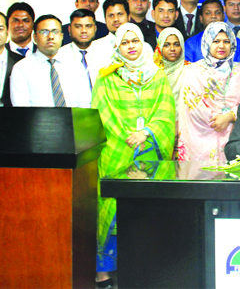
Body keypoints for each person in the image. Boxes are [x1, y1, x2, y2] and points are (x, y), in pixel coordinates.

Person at [90, 22, 176, 288]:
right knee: (111, 207)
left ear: (143, 43)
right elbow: (102, 112)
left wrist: (147, 133)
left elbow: (166, 112)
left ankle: (143, 265)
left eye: (134, 41)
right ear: (117, 45)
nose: (130, 47)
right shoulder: (107, 77)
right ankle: (104, 272)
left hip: (151, 153)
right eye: (125, 42)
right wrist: (128, 138)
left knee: (145, 213)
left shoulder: (158, 75)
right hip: (117, 152)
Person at [177, 22, 240, 178]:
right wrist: (217, 120)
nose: (222, 46)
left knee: (231, 190)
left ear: (233, 44)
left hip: (234, 136)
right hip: (200, 138)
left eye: (226, 41)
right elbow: (192, 104)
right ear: (207, 42)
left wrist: (229, 116)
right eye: (216, 41)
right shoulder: (194, 71)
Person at [9, 15, 91, 107]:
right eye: (44, 32)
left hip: (73, 120)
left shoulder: (75, 66)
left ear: (62, 36)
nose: (50, 36)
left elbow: (85, 103)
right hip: (37, 121)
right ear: (35, 37)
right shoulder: (21, 68)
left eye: (55, 32)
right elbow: (22, 108)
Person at [183, 0, 240, 66]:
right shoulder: (191, 43)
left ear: (223, 16)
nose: (213, 16)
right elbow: (187, 72)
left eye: (217, 13)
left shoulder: (236, 43)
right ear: (201, 18)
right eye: (208, 13)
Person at [58, 9, 99, 88]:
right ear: (69, 29)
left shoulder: (106, 53)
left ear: (95, 29)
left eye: (88, 26)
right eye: (78, 26)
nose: (84, 31)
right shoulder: (60, 55)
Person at [155, 27, 190, 104]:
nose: (172, 49)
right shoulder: (153, 71)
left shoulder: (190, 70)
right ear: (160, 47)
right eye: (167, 45)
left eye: (176, 44)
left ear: (182, 47)